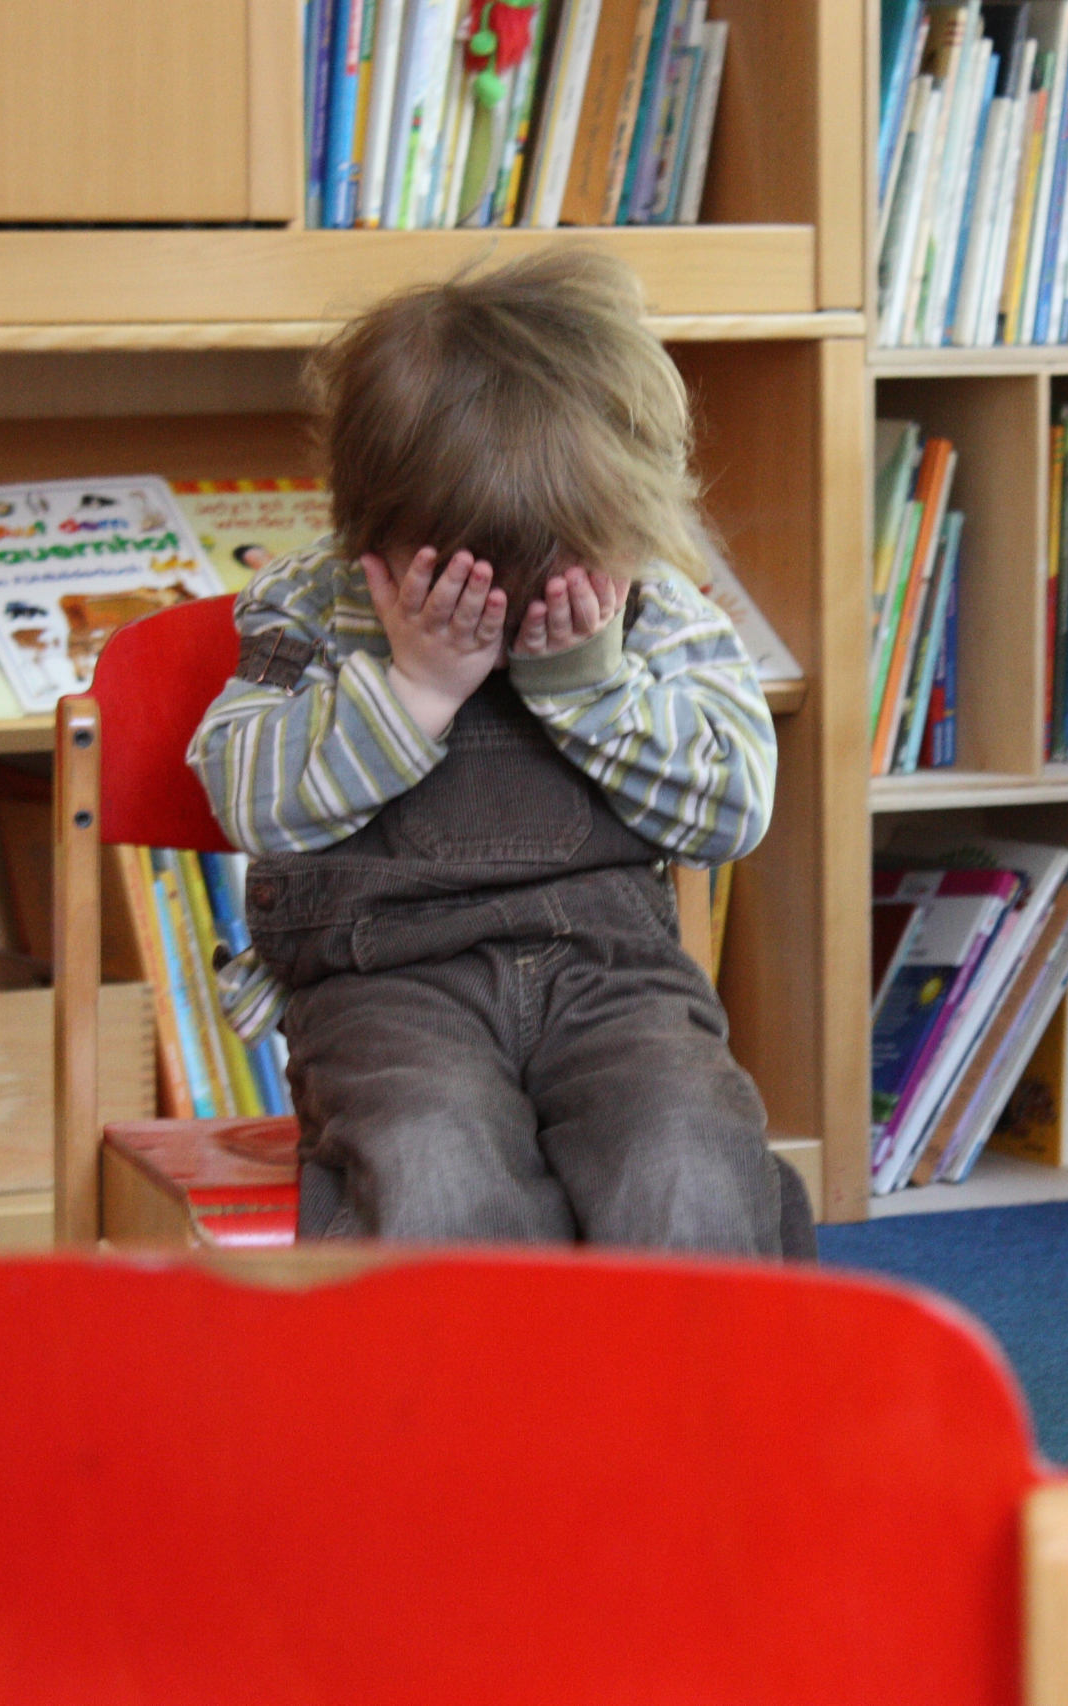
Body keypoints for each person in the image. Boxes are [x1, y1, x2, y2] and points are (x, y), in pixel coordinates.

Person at [191, 249, 810, 1256]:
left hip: (612, 976)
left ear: (628, 522)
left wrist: (594, 687)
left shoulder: (656, 607)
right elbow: (246, 797)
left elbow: (732, 809)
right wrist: (414, 687)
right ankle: (473, 1407)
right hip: (389, 983)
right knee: (432, 1157)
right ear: (374, 539)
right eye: (462, 587)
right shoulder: (313, 606)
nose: (518, 616)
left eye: (564, 572)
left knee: (687, 1150)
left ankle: (691, 1402)